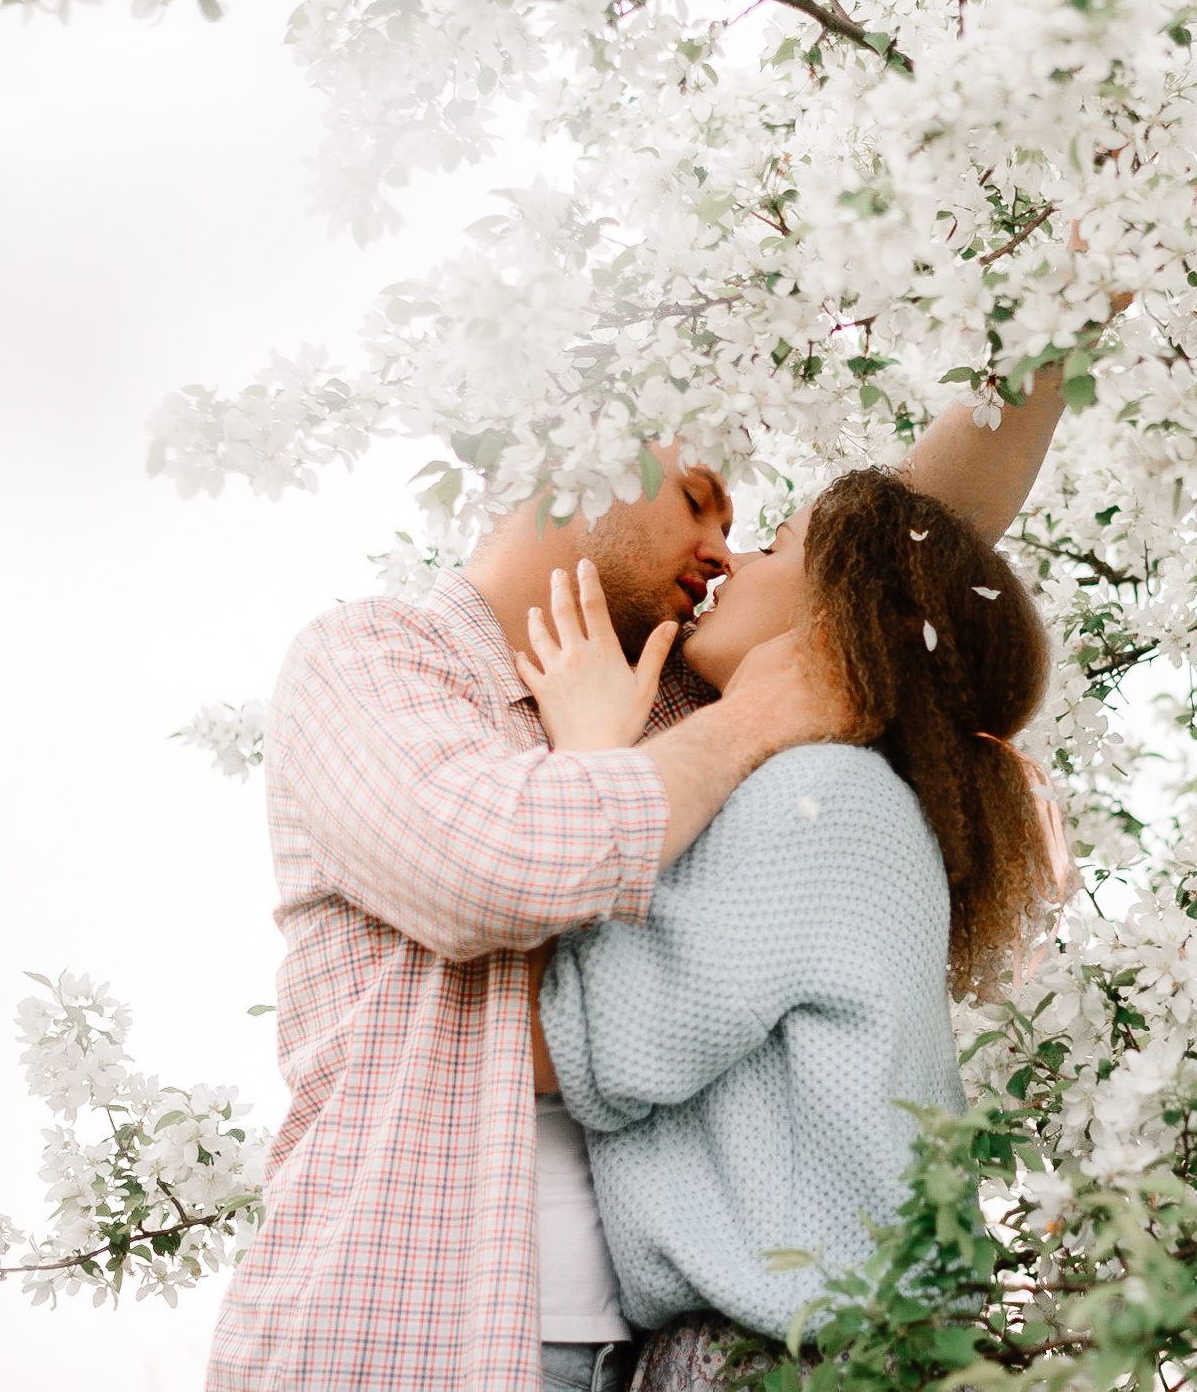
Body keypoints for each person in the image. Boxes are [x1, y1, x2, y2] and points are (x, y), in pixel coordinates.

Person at [206, 381, 1075, 1392]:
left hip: (659, 1345)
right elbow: (495, 867)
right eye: (700, 500)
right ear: (582, 459)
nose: (722, 549)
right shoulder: (378, 660)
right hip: (412, 1323)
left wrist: (1059, 319)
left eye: (750, 534)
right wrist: (744, 721)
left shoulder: (688, 710)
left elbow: (905, 566)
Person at [522, 468, 1059, 1388]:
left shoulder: (817, 796)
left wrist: (592, 767)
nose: (734, 562)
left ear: (838, 613)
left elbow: (570, 1048)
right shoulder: (857, 801)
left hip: (777, 1355)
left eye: (773, 547)